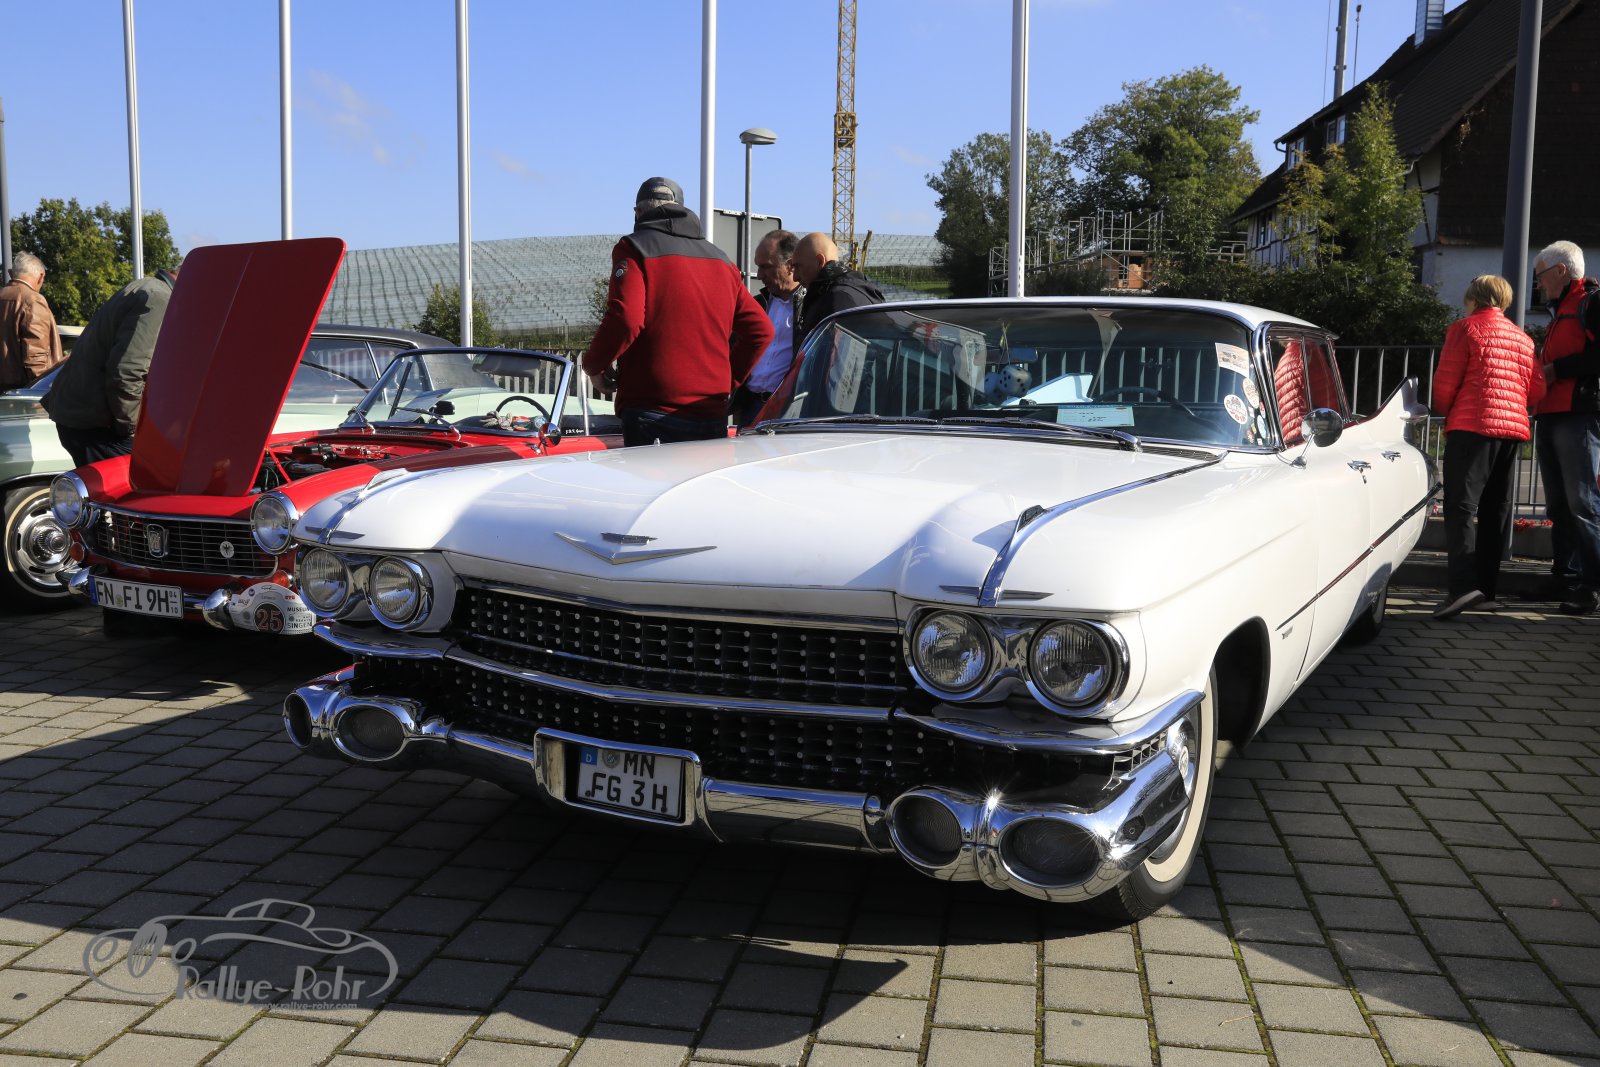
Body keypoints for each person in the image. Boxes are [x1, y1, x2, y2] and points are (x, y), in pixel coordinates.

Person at [583, 177, 771, 447]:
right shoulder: (721, 260)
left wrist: (594, 365)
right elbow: (761, 331)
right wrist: (727, 380)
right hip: (711, 411)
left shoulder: (634, 248)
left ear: (638, 212)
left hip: (653, 409)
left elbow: (626, 319)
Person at [1429, 275, 1544, 620]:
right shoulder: (1523, 338)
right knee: (1496, 509)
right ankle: (1486, 590)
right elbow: (1537, 390)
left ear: (1473, 297)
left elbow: (1445, 383)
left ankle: (1462, 589)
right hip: (1512, 431)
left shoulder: (1464, 329)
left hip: (1472, 426)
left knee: (1460, 507)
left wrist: (1446, 411)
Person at [43, 262, 180, 467]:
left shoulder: (146, 287)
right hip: (96, 426)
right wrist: (133, 429)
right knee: (147, 478)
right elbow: (128, 372)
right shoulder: (159, 298)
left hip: (82, 416)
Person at [1527, 240, 1600, 614]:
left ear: (1560, 271)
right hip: (1553, 413)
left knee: (1582, 503)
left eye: (1540, 276)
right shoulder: (1564, 309)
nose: (1538, 284)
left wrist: (1557, 370)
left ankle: (1591, 586)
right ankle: (1566, 577)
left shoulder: (1591, 302)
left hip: (1578, 414)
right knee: (1560, 503)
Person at [732, 229, 805, 427]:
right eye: (758, 267)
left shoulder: (811, 307)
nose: (759, 275)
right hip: (749, 407)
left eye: (766, 267)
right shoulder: (757, 304)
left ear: (790, 265)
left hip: (788, 410)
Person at [791, 233, 884, 347]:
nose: (795, 277)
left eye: (798, 267)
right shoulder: (859, 291)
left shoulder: (837, 298)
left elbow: (836, 354)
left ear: (820, 261)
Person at [0, 252, 65, 390]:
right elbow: (36, 358)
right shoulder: (33, 300)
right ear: (41, 277)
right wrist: (42, 389)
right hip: (22, 393)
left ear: (12, 273)